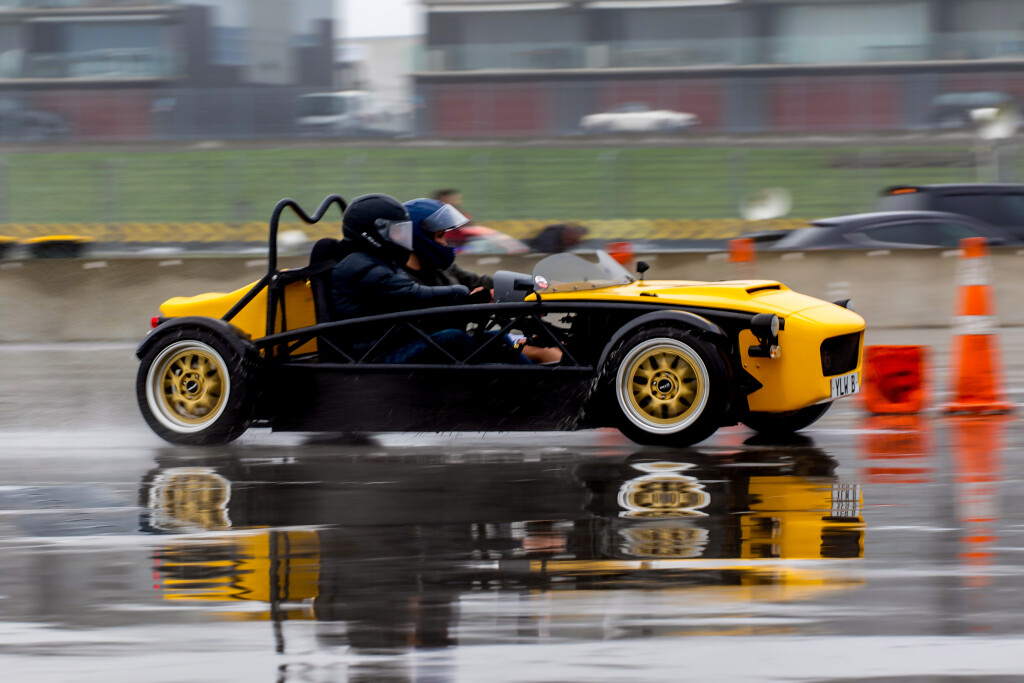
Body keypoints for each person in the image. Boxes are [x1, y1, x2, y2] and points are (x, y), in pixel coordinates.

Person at [331, 193, 489, 363]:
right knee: (452, 338)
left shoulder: (383, 261)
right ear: (371, 232)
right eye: (394, 231)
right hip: (374, 357)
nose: (400, 238)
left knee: (491, 339)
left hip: (394, 342)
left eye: (401, 231)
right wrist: (462, 294)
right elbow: (413, 296)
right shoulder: (359, 265)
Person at [403, 197, 562, 364]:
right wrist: (474, 301)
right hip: (430, 353)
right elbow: (431, 317)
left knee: (511, 341)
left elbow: (481, 282)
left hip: (455, 346)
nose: (446, 243)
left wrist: (540, 286)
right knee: (529, 350)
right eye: (440, 236)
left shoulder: (441, 268)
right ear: (419, 237)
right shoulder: (402, 281)